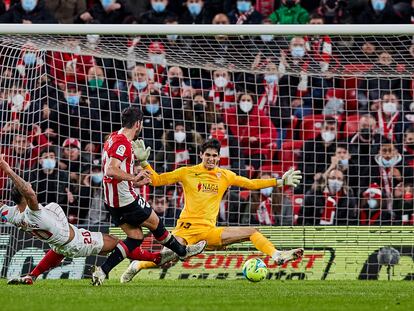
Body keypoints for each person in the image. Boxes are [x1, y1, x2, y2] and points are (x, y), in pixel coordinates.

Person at [119, 138, 303, 283]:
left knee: (252, 232)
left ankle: (277, 254)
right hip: (186, 229)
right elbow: (157, 180)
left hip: (209, 231)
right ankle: (137, 265)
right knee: (167, 258)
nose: (211, 159)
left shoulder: (225, 175)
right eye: (208, 155)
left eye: (215, 156)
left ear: (219, 157)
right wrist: (144, 162)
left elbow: (251, 183)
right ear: (201, 155)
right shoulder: (187, 172)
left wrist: (279, 182)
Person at [0, 154, 174, 285]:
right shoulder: (33, 212)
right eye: (28, 187)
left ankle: (32, 276)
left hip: (60, 242)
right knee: (115, 243)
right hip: (76, 241)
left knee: (60, 248)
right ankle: (156, 259)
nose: (30, 187)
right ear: (25, 195)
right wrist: (7, 170)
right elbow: (28, 192)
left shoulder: (12, 214)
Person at [93, 107, 206, 285]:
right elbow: (110, 169)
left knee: (136, 238)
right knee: (156, 224)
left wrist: (136, 180)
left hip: (112, 202)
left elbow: (115, 172)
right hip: (126, 201)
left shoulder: (113, 137)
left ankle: (102, 271)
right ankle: (183, 252)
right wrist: (133, 177)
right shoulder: (122, 142)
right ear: (138, 124)